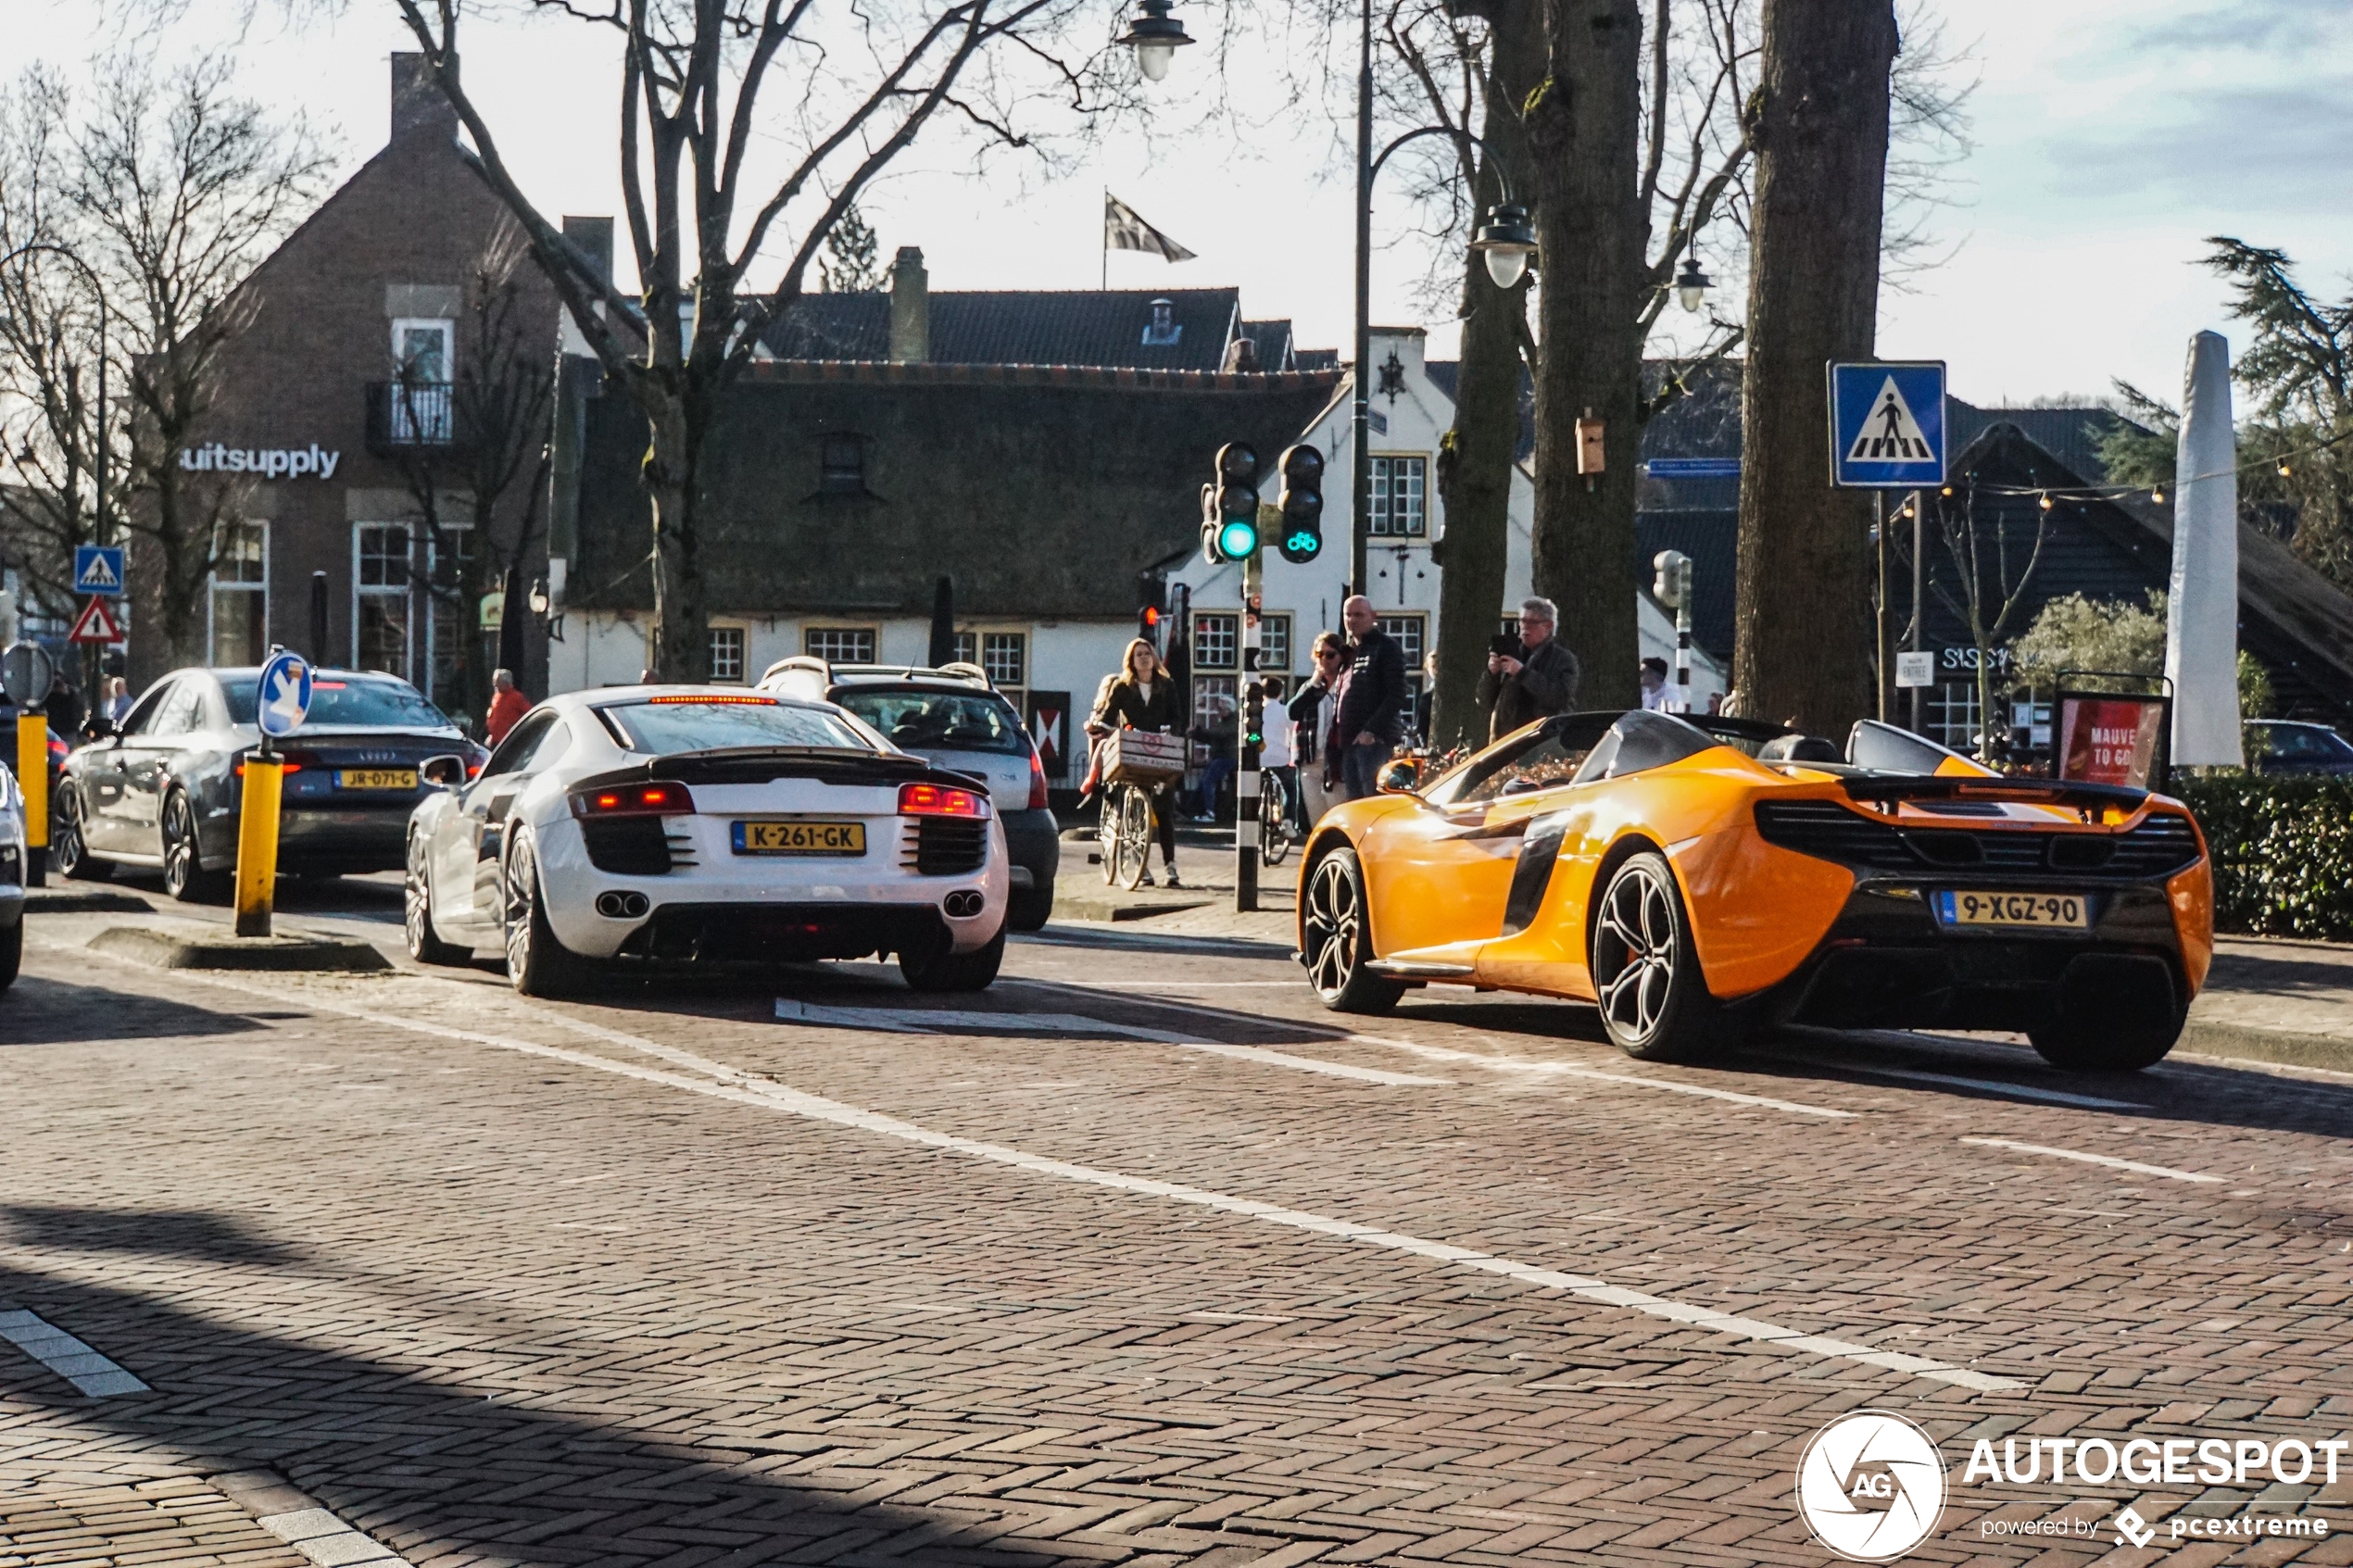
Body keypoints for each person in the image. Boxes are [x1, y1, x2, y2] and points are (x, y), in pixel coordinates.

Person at [1093, 636, 1184, 887]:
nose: (1143, 657)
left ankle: (1170, 867)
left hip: (1160, 753)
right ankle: (1139, 866)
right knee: (1132, 812)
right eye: (1138, 654)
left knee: (1164, 812)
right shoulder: (1123, 687)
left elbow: (1177, 717)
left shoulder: (1167, 686)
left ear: (1153, 658)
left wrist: (1171, 731)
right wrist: (1099, 726)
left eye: (1147, 653)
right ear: (1131, 661)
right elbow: (1109, 717)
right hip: (1132, 754)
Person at [1477, 596, 1579, 742]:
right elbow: (1483, 700)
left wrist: (1522, 673)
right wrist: (1492, 674)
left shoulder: (1562, 659)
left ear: (1548, 626)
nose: (1525, 628)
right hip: (1504, 742)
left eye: (1532, 622)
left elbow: (1560, 697)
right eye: (1522, 621)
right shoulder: (1511, 652)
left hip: (1540, 742)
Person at [1336, 595, 1407, 800]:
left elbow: (1397, 694)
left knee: (1373, 801)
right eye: (1348, 615)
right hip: (1350, 741)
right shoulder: (1350, 652)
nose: (1352, 620)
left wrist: (1371, 730)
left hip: (1373, 741)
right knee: (1355, 804)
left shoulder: (1386, 648)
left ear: (1372, 616)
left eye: (1358, 614)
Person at [1290, 633, 1346, 829]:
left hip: (1336, 762)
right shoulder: (1312, 688)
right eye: (1319, 654)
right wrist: (1314, 683)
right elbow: (1293, 711)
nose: (1324, 659)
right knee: (1317, 823)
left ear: (1340, 656)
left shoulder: (1346, 685)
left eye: (1330, 655)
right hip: (1311, 760)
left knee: (1338, 819)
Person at [1255, 674, 1295, 834]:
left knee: (1253, 789)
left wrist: (1260, 746)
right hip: (1281, 757)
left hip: (1260, 757)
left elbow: (1253, 735)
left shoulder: (1256, 712)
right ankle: (1287, 821)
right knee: (1291, 790)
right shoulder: (1284, 711)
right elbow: (1293, 732)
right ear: (1280, 693)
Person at [484, 668, 531, 746]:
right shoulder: (496, 696)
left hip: (509, 741)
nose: (495, 685)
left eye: (498, 682)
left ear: (506, 683)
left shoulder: (516, 697)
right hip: (495, 740)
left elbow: (529, 712)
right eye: (494, 682)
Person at [44, 675, 84, 743]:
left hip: (68, 732)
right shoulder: (48, 696)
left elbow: (76, 713)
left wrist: (66, 694)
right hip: (52, 730)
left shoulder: (72, 696)